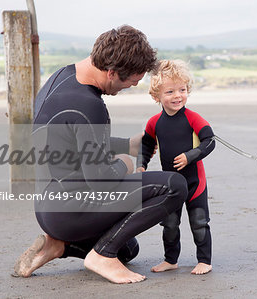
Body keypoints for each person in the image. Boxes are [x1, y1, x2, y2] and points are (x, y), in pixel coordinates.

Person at [13, 25, 188, 284]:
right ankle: (103, 255)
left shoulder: (61, 77)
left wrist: (128, 144)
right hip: (70, 211)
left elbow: (75, 141)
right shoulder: (90, 105)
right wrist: (126, 164)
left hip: (48, 208)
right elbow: (100, 179)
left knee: (128, 249)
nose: (128, 87)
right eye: (129, 82)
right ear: (111, 72)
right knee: (174, 186)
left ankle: (59, 246)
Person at [137, 60, 215, 275]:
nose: (177, 95)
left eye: (182, 90)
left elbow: (210, 141)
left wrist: (190, 156)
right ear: (156, 96)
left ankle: (204, 260)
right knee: (169, 224)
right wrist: (141, 165)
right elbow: (146, 145)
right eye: (170, 91)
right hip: (171, 184)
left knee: (199, 222)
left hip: (194, 182)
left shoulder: (193, 118)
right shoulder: (154, 122)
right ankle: (171, 260)